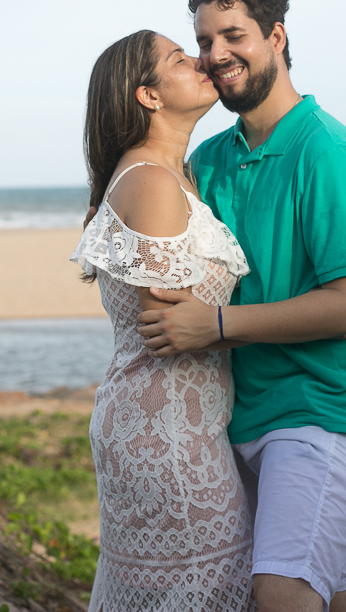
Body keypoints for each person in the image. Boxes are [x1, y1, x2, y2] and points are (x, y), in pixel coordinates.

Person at [136, 0, 346, 612]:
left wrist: (216, 326)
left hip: (319, 410)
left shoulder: (325, 150)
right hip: (234, 416)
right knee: (320, 594)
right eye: (204, 40)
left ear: (276, 37)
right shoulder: (213, 159)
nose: (215, 54)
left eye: (233, 34)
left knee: (278, 594)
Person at [71, 30, 257, 611]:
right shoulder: (151, 181)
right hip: (167, 434)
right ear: (147, 96)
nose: (202, 61)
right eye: (181, 59)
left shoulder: (174, 176)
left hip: (181, 424)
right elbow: (173, 322)